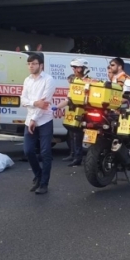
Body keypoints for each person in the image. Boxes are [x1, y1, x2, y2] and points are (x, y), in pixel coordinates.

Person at [21, 54, 56, 194]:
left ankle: (44, 183)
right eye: (29, 63)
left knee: (45, 152)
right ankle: (38, 174)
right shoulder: (27, 80)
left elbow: (45, 104)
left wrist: (34, 119)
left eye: (34, 63)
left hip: (44, 120)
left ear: (41, 65)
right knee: (28, 150)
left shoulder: (49, 80)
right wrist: (35, 103)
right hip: (29, 120)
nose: (31, 66)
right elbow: (23, 100)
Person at [55, 58, 90, 167]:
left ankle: (78, 158)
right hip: (73, 109)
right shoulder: (74, 81)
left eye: (75, 67)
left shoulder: (88, 81)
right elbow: (69, 98)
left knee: (78, 134)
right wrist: (56, 107)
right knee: (71, 133)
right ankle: (73, 154)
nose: (73, 69)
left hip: (83, 110)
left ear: (80, 68)